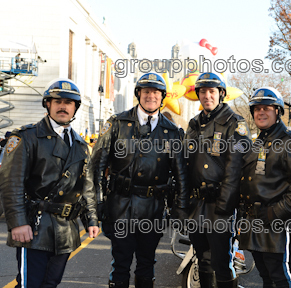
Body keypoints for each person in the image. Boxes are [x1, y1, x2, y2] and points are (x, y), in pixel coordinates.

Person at [89, 72, 188, 288]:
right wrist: (97, 204)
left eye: (155, 92)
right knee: (121, 264)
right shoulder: (117, 123)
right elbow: (96, 168)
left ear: (162, 97)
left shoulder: (172, 132)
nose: (150, 96)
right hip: (120, 206)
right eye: (146, 91)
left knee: (147, 263)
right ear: (138, 94)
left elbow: (181, 175)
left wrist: (179, 210)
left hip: (153, 209)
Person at [0, 78, 99, 287]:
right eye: (57, 101)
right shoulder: (26, 137)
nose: (63, 106)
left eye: (68, 102)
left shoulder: (81, 145)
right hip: (34, 226)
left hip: (65, 229)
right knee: (30, 284)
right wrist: (17, 222)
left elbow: (86, 187)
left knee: (50, 284)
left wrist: (91, 220)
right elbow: (11, 183)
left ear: (75, 108)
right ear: (48, 104)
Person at [238, 87, 291, 288]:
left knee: (281, 278)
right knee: (266, 277)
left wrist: (275, 212)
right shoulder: (258, 142)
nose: (261, 112)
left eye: (267, 108)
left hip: (278, 224)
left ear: (278, 111)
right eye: (257, 108)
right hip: (254, 221)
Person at [184, 72, 251, 288]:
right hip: (197, 204)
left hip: (220, 203)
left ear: (221, 94)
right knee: (202, 259)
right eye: (202, 92)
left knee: (221, 261)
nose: (207, 96)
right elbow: (186, 163)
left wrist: (226, 203)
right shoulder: (194, 124)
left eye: (212, 91)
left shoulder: (235, 123)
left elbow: (237, 167)